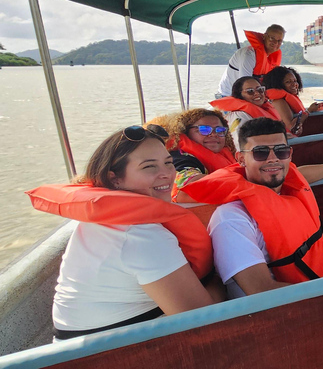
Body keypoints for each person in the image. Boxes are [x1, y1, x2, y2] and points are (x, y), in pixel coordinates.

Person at [179, 118, 323, 298]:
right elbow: (261, 291)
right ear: (241, 159)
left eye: (280, 151)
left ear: (289, 154)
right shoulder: (231, 220)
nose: (273, 159)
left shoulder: (285, 189)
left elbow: (299, 175)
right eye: (261, 153)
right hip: (290, 307)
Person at [26, 125, 219, 339]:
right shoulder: (141, 235)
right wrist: (219, 275)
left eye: (168, 163)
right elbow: (203, 323)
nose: (166, 174)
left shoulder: (108, 219)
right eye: (149, 167)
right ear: (115, 178)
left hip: (84, 346)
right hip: (110, 354)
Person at [164, 109, 237, 193]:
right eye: (204, 129)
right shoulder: (179, 157)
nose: (213, 134)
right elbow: (188, 182)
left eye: (220, 130)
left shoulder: (231, 155)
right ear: (186, 132)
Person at [216, 24, 285, 97]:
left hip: (251, 93)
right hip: (228, 95)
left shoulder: (270, 58)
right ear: (264, 36)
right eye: (272, 38)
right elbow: (246, 85)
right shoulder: (248, 55)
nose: (275, 43)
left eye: (279, 41)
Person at [211, 76, 282, 147]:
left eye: (260, 89)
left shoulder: (264, 109)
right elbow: (238, 145)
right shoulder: (239, 116)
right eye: (250, 91)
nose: (257, 93)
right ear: (239, 95)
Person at [264, 66, 323, 136]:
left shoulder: (284, 99)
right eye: (288, 82)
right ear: (278, 85)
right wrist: (309, 110)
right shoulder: (278, 102)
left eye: (295, 81)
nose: (294, 84)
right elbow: (291, 127)